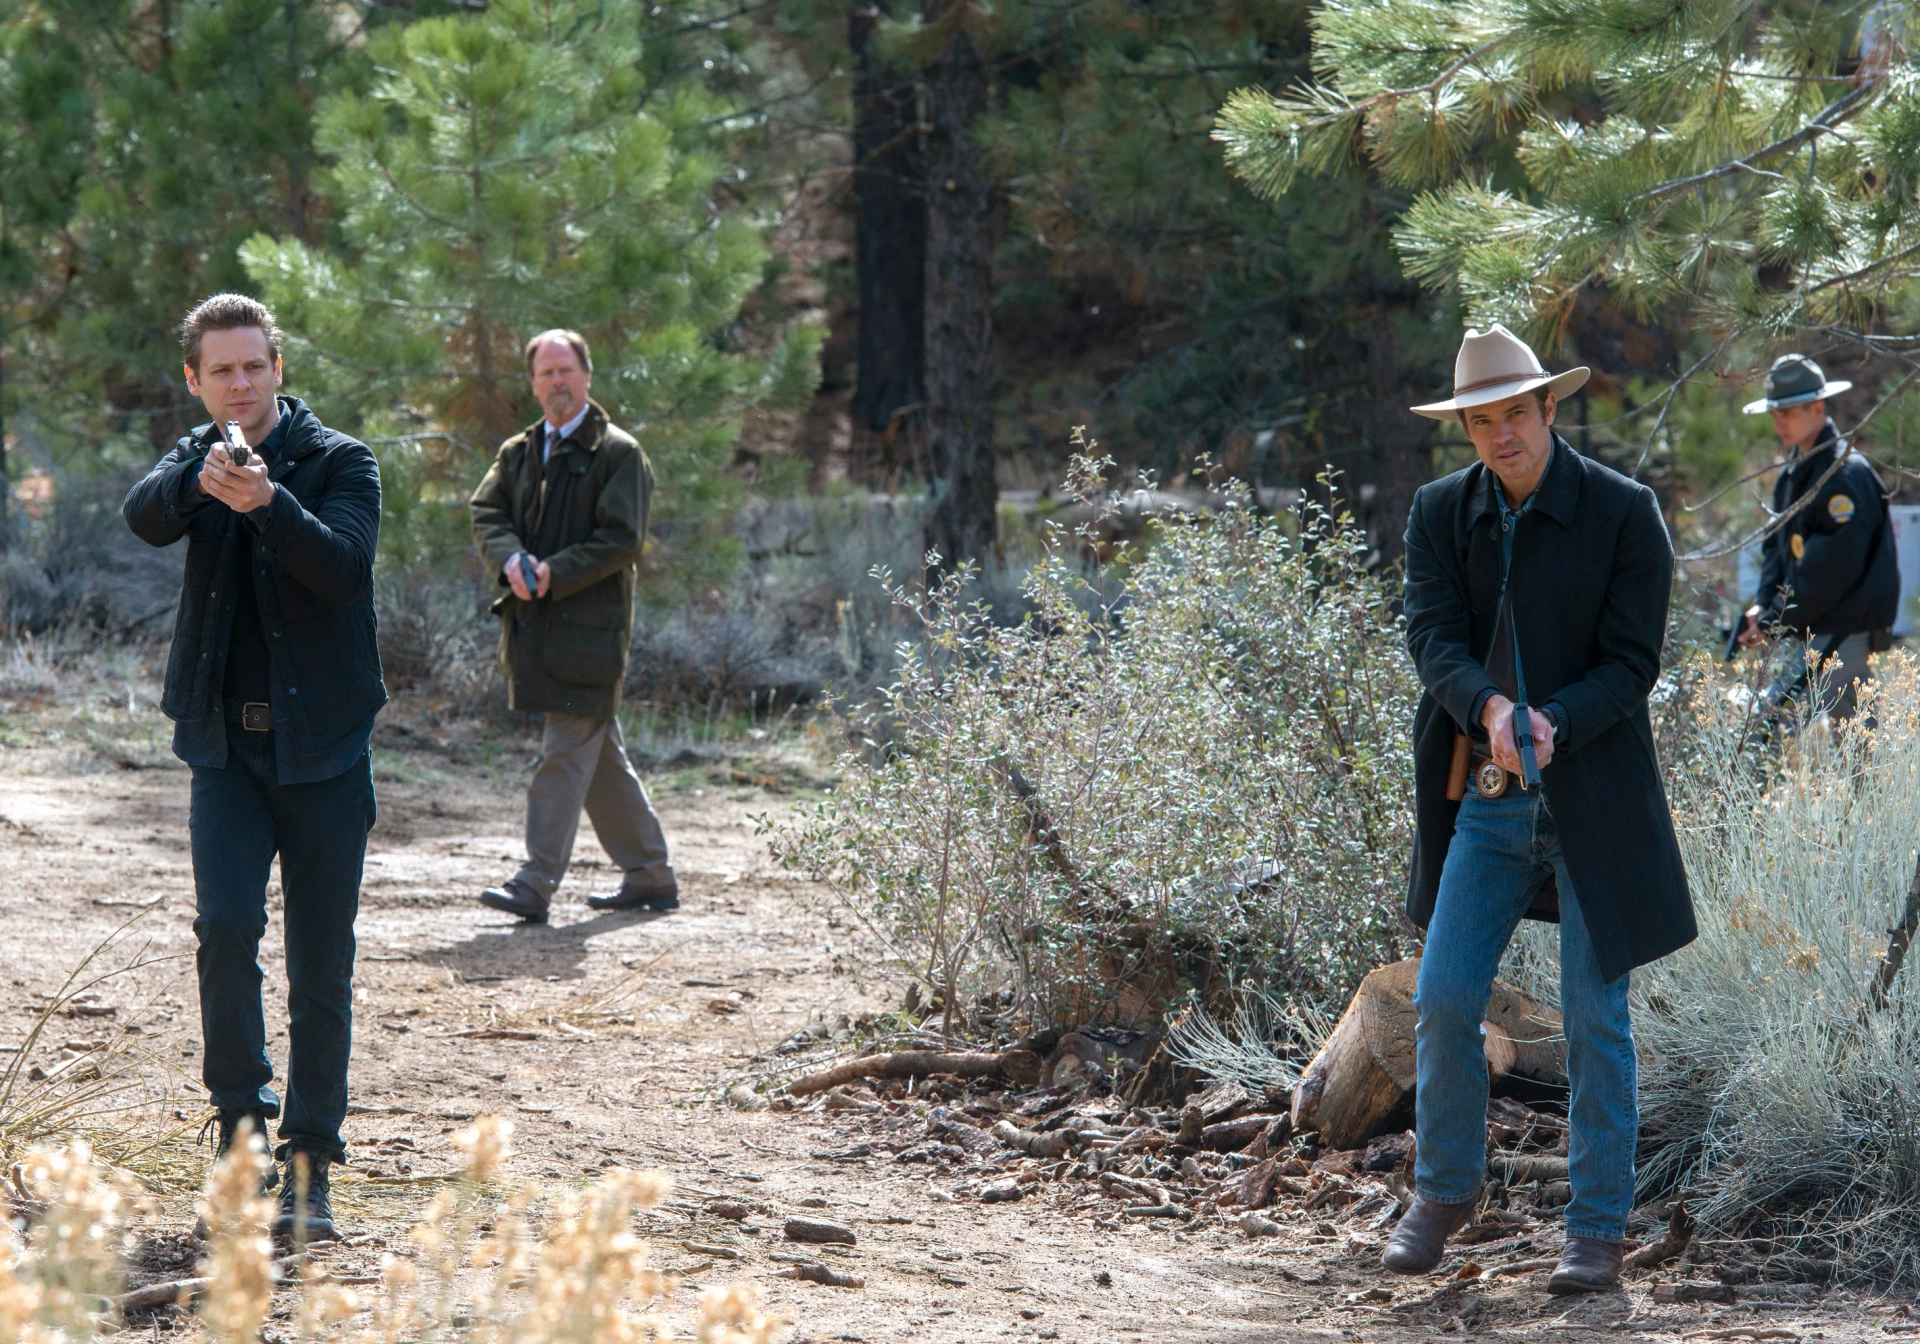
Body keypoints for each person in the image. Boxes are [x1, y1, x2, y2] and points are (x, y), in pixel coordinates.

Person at [1389, 324, 1697, 1294]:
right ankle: (1444, 1190)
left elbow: (1633, 664)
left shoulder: (1623, 513)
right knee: (1441, 997)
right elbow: (1431, 637)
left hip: (1595, 802)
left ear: (1550, 409)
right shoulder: (1441, 513)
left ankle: (1598, 1231)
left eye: (1514, 414)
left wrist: (1557, 718)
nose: (1499, 435)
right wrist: (1487, 707)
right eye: (1480, 421)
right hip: (1485, 797)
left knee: (1593, 1017)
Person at [124, 293, 384, 1242]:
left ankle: (310, 1169)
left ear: (279, 365)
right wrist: (204, 480)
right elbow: (143, 516)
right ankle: (240, 1136)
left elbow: (343, 567)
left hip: (325, 753)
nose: (241, 383)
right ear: (195, 380)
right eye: (220, 371)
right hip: (224, 752)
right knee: (225, 931)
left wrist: (272, 504)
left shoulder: (342, 461)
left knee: (323, 967)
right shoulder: (194, 457)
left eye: (254, 365)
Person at [470, 329, 678, 923]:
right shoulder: (518, 451)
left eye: (567, 371)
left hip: (590, 638)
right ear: (533, 384)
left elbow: (622, 540)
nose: (557, 382)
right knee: (599, 760)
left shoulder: (619, 453)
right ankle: (650, 876)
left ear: (587, 376)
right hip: (535, 632)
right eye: (546, 373)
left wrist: (551, 572)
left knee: (565, 754)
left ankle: (535, 883)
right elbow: (486, 511)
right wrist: (511, 561)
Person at [1732, 353, 1898, 723]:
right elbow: (1776, 549)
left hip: (1845, 630)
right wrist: (1763, 605)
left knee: (1857, 749)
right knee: (1775, 727)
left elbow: (1828, 571)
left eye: (1787, 413)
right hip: (1815, 627)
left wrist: (1772, 620)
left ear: (1817, 407)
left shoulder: (1842, 475)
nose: (1779, 423)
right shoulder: (1793, 473)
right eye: (1775, 414)